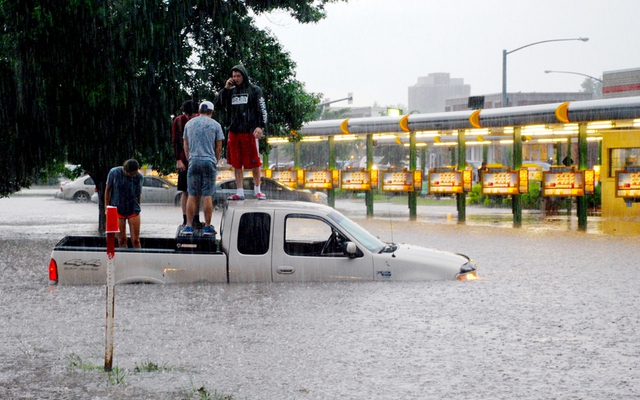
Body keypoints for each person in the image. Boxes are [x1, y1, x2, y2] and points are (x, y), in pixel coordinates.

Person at [214, 64, 268, 200]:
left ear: (244, 75)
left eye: (238, 76)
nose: (236, 78)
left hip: (250, 132)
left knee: (255, 162)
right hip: (234, 131)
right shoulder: (230, 92)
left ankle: (257, 190)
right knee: (236, 163)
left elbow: (262, 109)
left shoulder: (254, 90)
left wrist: (260, 126)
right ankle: (240, 191)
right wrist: (225, 89)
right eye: (234, 76)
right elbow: (218, 105)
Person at [181, 100, 224, 236]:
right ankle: (207, 226)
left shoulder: (189, 124)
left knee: (192, 194)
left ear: (199, 111)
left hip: (193, 161)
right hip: (209, 160)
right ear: (211, 112)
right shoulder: (216, 125)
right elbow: (218, 147)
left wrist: (190, 159)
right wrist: (215, 160)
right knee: (207, 195)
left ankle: (188, 226)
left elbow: (185, 144)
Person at [171, 100, 202, 227]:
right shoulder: (178, 121)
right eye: (187, 115)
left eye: (192, 114)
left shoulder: (201, 121)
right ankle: (185, 219)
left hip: (198, 158)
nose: (189, 117)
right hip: (184, 160)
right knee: (185, 191)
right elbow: (175, 142)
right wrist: (178, 159)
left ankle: (196, 218)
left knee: (198, 191)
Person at [105, 159, 143, 248]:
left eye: (134, 173)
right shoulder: (114, 173)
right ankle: (123, 259)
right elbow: (108, 190)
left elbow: (138, 193)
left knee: (136, 240)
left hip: (133, 208)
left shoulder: (139, 177)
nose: (132, 176)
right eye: (130, 174)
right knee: (121, 240)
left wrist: (138, 205)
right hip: (117, 209)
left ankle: (138, 259)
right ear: (124, 170)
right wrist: (107, 208)